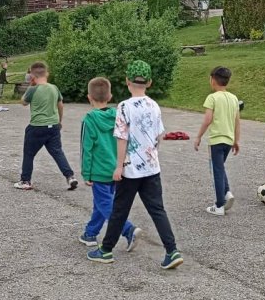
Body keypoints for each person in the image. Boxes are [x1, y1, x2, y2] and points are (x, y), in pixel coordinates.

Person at [87, 61, 183, 270]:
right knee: (157, 209)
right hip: (151, 167)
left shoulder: (124, 107)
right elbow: (159, 136)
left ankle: (106, 249)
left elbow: (122, 138)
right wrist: (152, 155)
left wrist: (118, 166)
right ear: (149, 82)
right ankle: (172, 250)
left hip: (131, 169)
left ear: (127, 81)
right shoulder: (154, 105)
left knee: (119, 210)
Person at [79, 76, 139, 251]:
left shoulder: (89, 120)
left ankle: (128, 229)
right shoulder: (118, 116)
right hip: (117, 169)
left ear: (89, 97)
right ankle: (90, 233)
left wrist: (86, 173)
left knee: (105, 204)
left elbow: (86, 149)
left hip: (99, 171)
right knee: (102, 202)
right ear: (110, 96)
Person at [15, 61, 77, 191]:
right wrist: (59, 121)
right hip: (53, 125)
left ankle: (25, 180)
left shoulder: (33, 89)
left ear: (32, 76)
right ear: (47, 74)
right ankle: (70, 176)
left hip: (37, 126)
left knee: (29, 154)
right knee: (57, 152)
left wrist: (30, 86)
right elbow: (60, 105)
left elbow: (23, 102)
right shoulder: (54, 88)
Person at [194, 66, 241, 216]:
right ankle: (227, 193)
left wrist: (198, 136)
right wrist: (236, 140)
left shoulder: (212, 98)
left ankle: (219, 205)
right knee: (220, 167)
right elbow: (237, 121)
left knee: (216, 170)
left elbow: (208, 119)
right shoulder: (234, 98)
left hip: (216, 140)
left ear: (212, 80)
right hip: (229, 140)